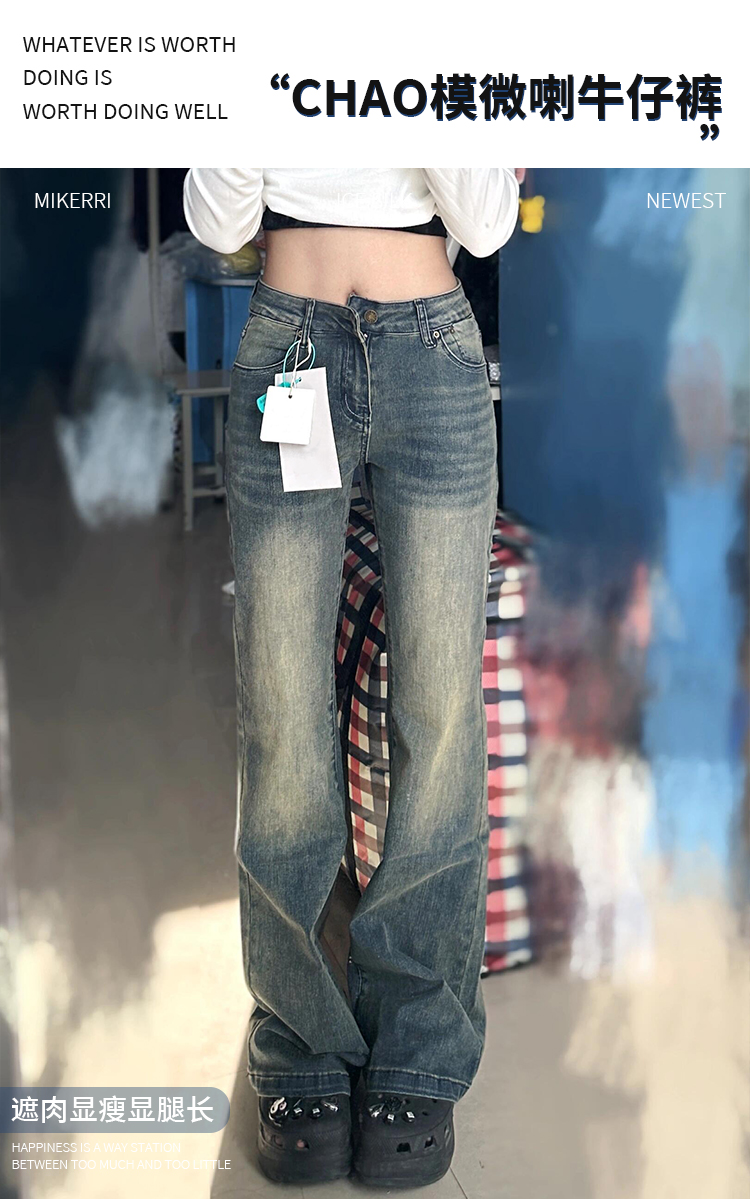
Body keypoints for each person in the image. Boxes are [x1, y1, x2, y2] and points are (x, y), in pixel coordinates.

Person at [183, 167, 521, 1188]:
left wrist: (411, 79)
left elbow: (487, 224)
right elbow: (218, 220)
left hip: (434, 354)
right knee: (284, 711)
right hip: (289, 335)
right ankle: (299, 1036)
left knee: (439, 713)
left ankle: (419, 1038)